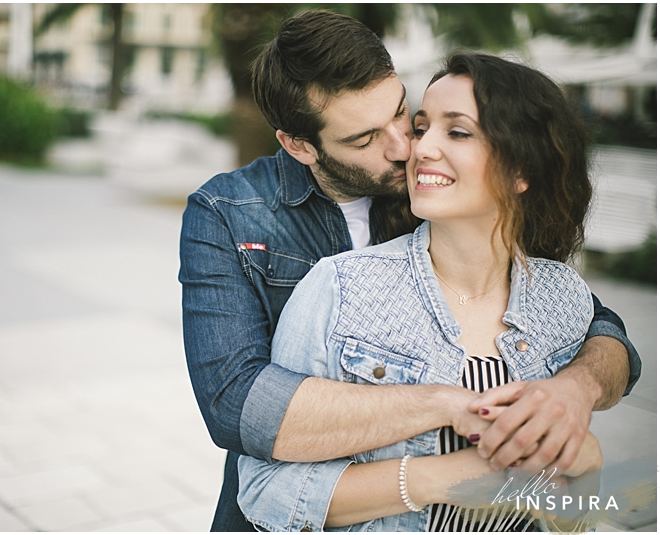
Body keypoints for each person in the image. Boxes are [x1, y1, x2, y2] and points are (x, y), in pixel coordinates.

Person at [178, 11, 640, 531]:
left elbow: (595, 327)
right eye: (364, 139)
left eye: (404, 114)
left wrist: (576, 393)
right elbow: (237, 404)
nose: (407, 148)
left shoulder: (446, 198)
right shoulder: (231, 213)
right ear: (299, 146)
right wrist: (448, 409)